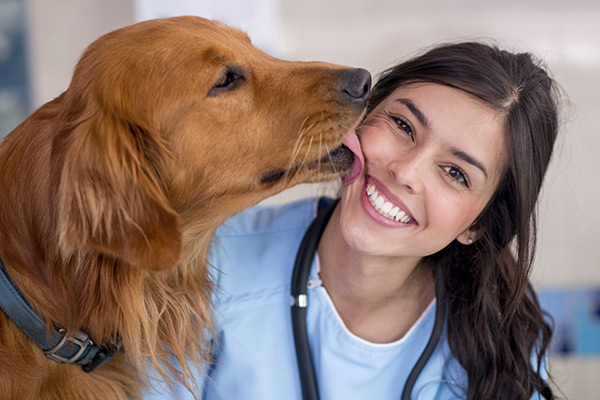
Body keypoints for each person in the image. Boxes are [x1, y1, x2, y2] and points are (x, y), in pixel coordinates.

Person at [145, 41, 560, 399]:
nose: (406, 171)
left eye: (456, 173)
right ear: (361, 114)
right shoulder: (205, 262)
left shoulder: (507, 352)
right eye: (402, 125)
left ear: (478, 226)